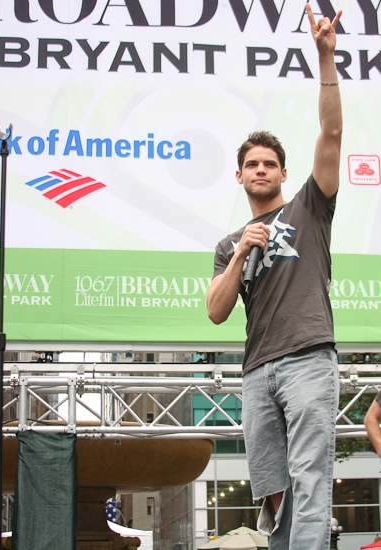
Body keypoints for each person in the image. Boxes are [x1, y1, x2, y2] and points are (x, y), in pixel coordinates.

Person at [206, 5, 342, 549]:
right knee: (273, 489)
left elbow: (331, 131)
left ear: (283, 173)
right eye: (251, 164)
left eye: (270, 163)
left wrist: (326, 55)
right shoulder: (227, 244)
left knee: (311, 476)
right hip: (257, 369)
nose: (261, 170)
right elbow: (216, 311)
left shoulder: (309, 207)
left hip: (309, 355)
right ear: (239, 175)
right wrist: (241, 252)